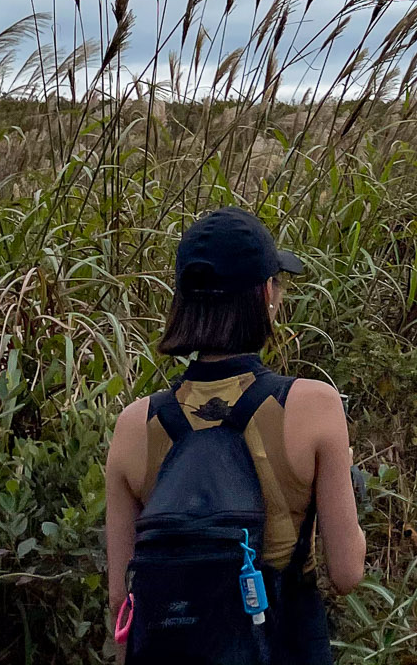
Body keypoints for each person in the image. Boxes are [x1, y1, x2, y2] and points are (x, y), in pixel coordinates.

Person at [105, 207, 367, 663]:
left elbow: (120, 600)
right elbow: (346, 572)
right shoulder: (312, 406)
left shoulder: (134, 425)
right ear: (266, 293)